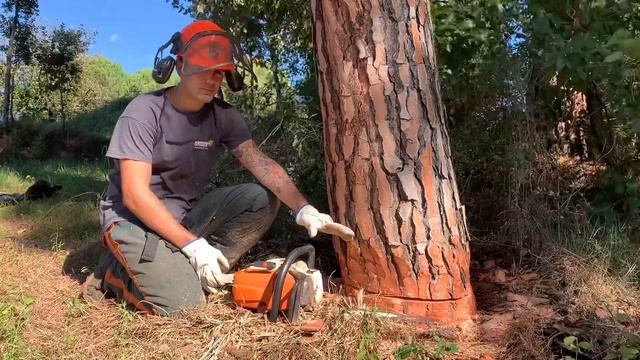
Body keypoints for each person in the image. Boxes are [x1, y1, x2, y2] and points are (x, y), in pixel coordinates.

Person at [81, 20, 347, 316]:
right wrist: (194, 245)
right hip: (132, 221)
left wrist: (303, 208)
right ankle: (112, 275)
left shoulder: (223, 116)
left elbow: (261, 164)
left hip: (181, 219)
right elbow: (133, 195)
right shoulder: (144, 112)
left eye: (219, 71)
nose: (213, 79)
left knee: (259, 197)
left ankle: (197, 267)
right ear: (180, 67)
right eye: (204, 70)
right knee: (184, 307)